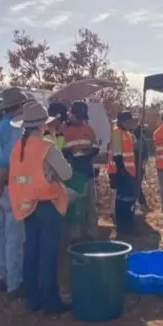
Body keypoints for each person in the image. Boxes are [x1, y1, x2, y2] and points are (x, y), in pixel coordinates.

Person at [8, 101, 73, 315]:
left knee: (31, 253)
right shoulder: (47, 146)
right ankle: (51, 302)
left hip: (27, 205)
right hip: (48, 204)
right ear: (42, 124)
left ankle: (32, 300)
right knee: (48, 254)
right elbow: (67, 174)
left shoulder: (18, 147)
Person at [0, 87, 30, 298]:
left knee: (0, 235)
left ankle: (0, 276)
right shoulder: (17, 130)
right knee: (14, 238)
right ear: (20, 106)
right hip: (12, 189)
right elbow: (7, 164)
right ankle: (14, 283)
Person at [61, 101, 100, 241]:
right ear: (71, 115)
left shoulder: (88, 129)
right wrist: (70, 153)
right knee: (74, 205)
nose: (80, 119)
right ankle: (74, 236)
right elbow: (60, 151)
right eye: (78, 116)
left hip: (87, 171)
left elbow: (95, 147)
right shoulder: (64, 131)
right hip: (72, 173)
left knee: (91, 204)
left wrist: (88, 151)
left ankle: (92, 233)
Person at [108, 111, 139, 234]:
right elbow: (117, 155)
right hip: (121, 171)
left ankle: (128, 223)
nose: (131, 123)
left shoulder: (126, 133)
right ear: (124, 121)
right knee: (122, 200)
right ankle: (124, 226)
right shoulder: (117, 133)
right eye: (129, 121)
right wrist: (122, 172)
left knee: (128, 199)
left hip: (128, 171)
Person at [132, 117, 151, 214]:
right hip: (135, 163)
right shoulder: (134, 133)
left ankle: (142, 204)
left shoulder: (139, 134)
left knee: (136, 184)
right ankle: (141, 204)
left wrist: (144, 160)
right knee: (136, 184)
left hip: (138, 163)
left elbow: (142, 149)